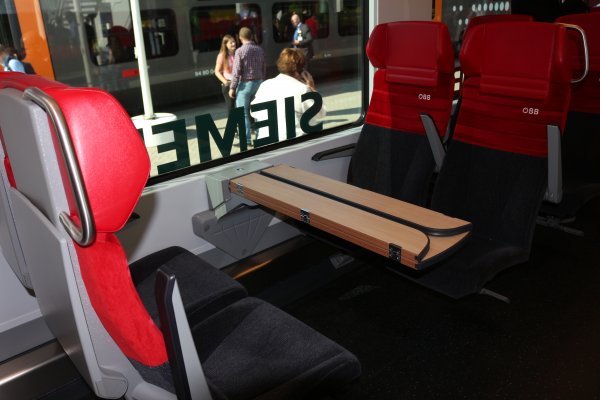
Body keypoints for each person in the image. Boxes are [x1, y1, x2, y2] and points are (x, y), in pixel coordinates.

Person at [250, 48, 326, 144]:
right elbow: (320, 113)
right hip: (294, 144)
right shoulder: (302, 89)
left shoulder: (264, 85)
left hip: (266, 145)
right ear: (301, 71)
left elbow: (254, 112)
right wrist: (312, 88)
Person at [229, 27, 266, 146]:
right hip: (259, 83)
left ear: (240, 38)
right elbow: (263, 67)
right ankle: (260, 137)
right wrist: (262, 80)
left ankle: (247, 140)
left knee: (243, 113)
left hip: (245, 84)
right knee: (258, 111)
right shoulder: (260, 49)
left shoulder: (239, 51)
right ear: (251, 36)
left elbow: (236, 71)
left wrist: (232, 87)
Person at [214, 35, 237, 113]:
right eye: (231, 43)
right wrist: (225, 82)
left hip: (239, 83)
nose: (234, 44)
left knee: (240, 107)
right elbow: (217, 71)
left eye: (234, 41)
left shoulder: (238, 53)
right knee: (231, 109)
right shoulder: (221, 56)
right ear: (225, 45)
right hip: (229, 85)